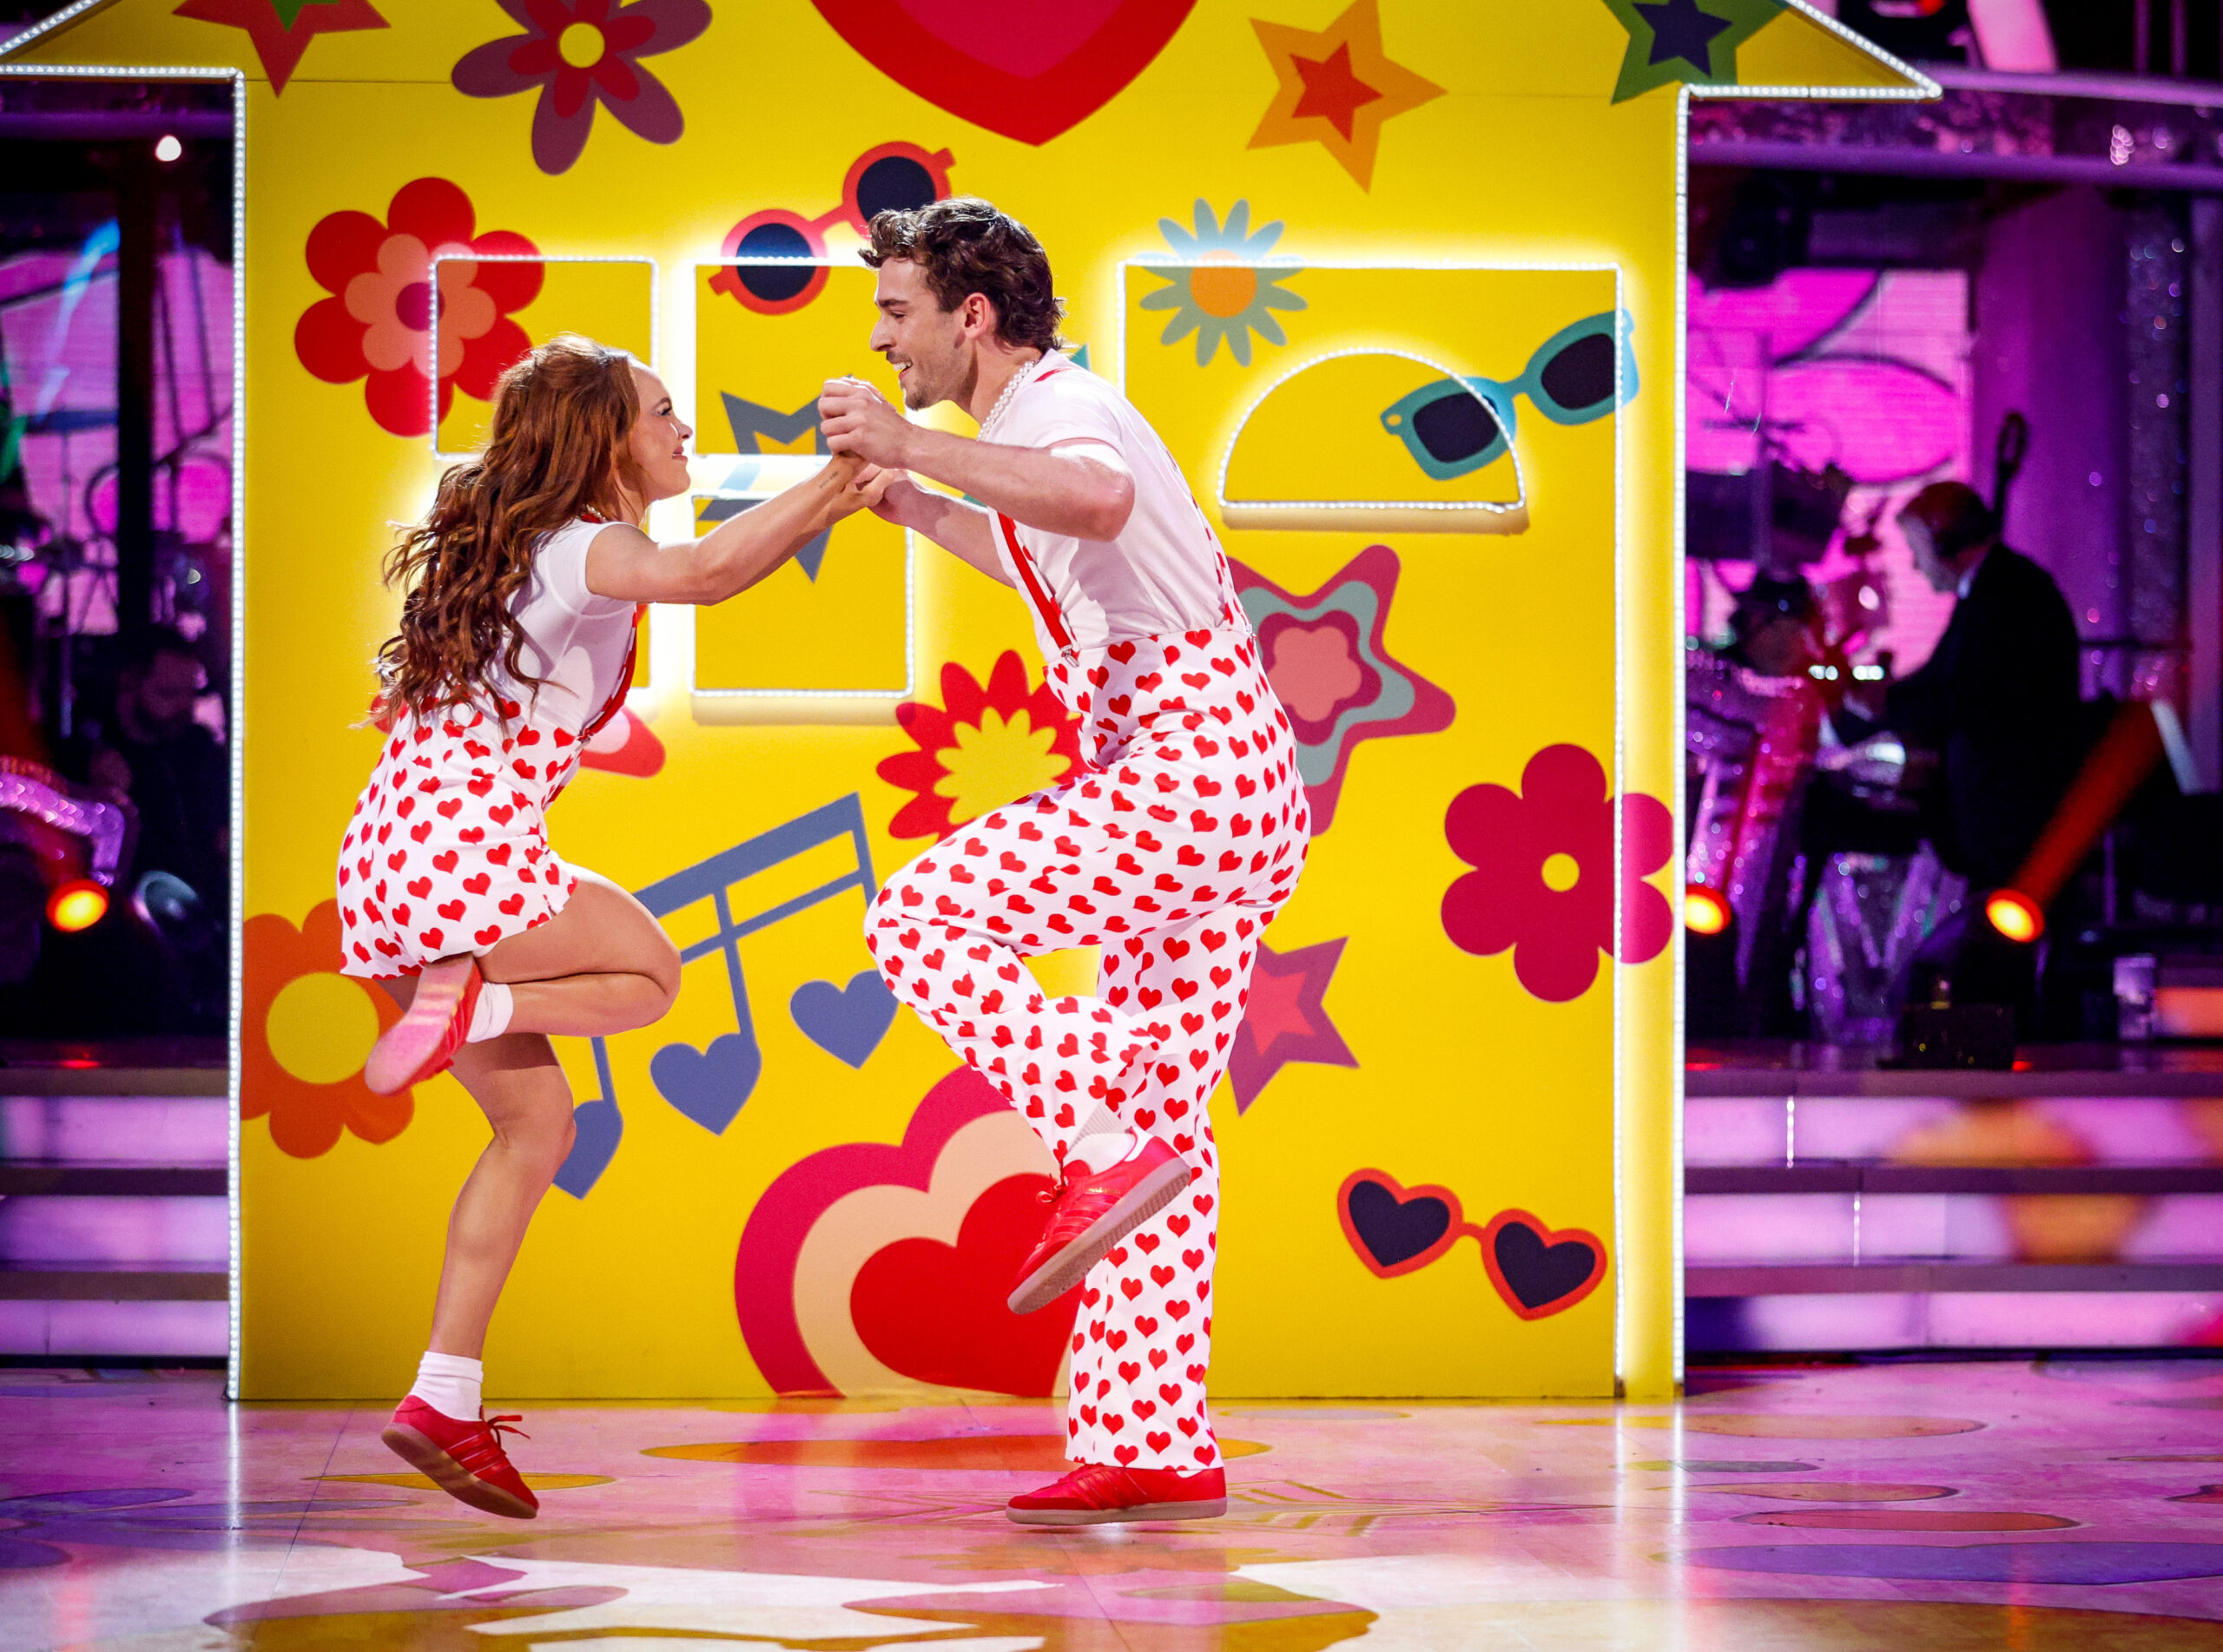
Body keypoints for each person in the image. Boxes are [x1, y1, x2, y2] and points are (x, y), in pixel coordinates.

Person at [820, 199, 1309, 1527]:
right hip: (1223, 782)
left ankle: (1096, 1133)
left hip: (1187, 772)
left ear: (971, 317)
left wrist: (916, 443)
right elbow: (1057, 541)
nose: (883, 338)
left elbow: (1096, 495)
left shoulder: (1052, 408)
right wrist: (921, 503)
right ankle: (1153, 1440)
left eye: (898, 312)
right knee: (1170, 1131)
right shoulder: (1028, 428)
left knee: (919, 911)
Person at [340, 334, 883, 1519]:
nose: (681, 432)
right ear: (604, 443)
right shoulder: (585, 543)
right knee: (651, 968)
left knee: (537, 1123)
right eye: (662, 415)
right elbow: (705, 573)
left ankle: (442, 1390)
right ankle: (478, 1000)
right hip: (467, 854)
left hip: (388, 864)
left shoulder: (513, 551)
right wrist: (839, 480)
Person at [1835, 480, 2081, 892]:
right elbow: (1943, 680)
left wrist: (1881, 706)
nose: (1915, 565)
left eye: (1917, 550)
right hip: (2005, 810)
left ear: (1945, 541)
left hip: (2014, 813)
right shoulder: (1994, 589)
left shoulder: (2005, 594)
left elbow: (1965, 694)